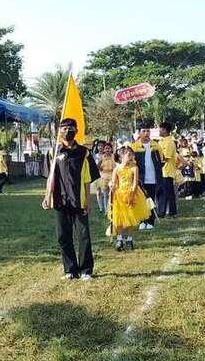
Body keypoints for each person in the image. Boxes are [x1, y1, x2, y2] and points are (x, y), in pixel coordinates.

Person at [42, 118, 100, 281]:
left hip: (79, 200)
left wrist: (88, 201)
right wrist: (47, 196)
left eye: (71, 128)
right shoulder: (53, 152)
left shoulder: (84, 152)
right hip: (60, 200)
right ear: (59, 131)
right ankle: (70, 270)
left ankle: (86, 270)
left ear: (76, 130)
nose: (67, 131)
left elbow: (87, 179)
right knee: (63, 236)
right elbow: (50, 177)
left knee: (83, 235)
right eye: (64, 128)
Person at [108, 147, 151, 251]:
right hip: (119, 195)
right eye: (129, 155)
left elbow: (135, 184)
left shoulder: (134, 168)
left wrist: (131, 197)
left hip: (132, 194)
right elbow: (114, 182)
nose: (131, 157)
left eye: (132, 155)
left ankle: (129, 239)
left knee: (131, 217)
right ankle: (119, 239)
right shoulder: (117, 169)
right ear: (121, 156)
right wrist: (111, 186)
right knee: (119, 217)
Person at [130, 120, 164, 229]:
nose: (146, 133)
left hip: (153, 178)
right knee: (141, 200)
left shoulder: (156, 146)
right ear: (139, 133)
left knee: (151, 200)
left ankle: (150, 221)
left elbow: (161, 161)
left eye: (148, 131)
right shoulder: (134, 147)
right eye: (144, 131)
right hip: (140, 178)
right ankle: (142, 221)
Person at [157, 121, 181, 218]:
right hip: (161, 171)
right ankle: (162, 211)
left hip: (167, 171)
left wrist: (157, 162)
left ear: (166, 130)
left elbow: (165, 158)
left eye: (161, 129)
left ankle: (172, 212)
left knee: (169, 193)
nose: (159, 131)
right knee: (162, 193)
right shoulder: (160, 141)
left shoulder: (170, 142)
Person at [95, 142, 116, 214]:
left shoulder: (114, 156)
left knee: (112, 194)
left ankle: (112, 209)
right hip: (104, 177)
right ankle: (106, 211)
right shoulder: (102, 157)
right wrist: (100, 163)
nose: (107, 150)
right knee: (105, 194)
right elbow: (98, 167)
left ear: (111, 149)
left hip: (113, 177)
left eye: (109, 148)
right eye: (106, 148)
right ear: (104, 150)